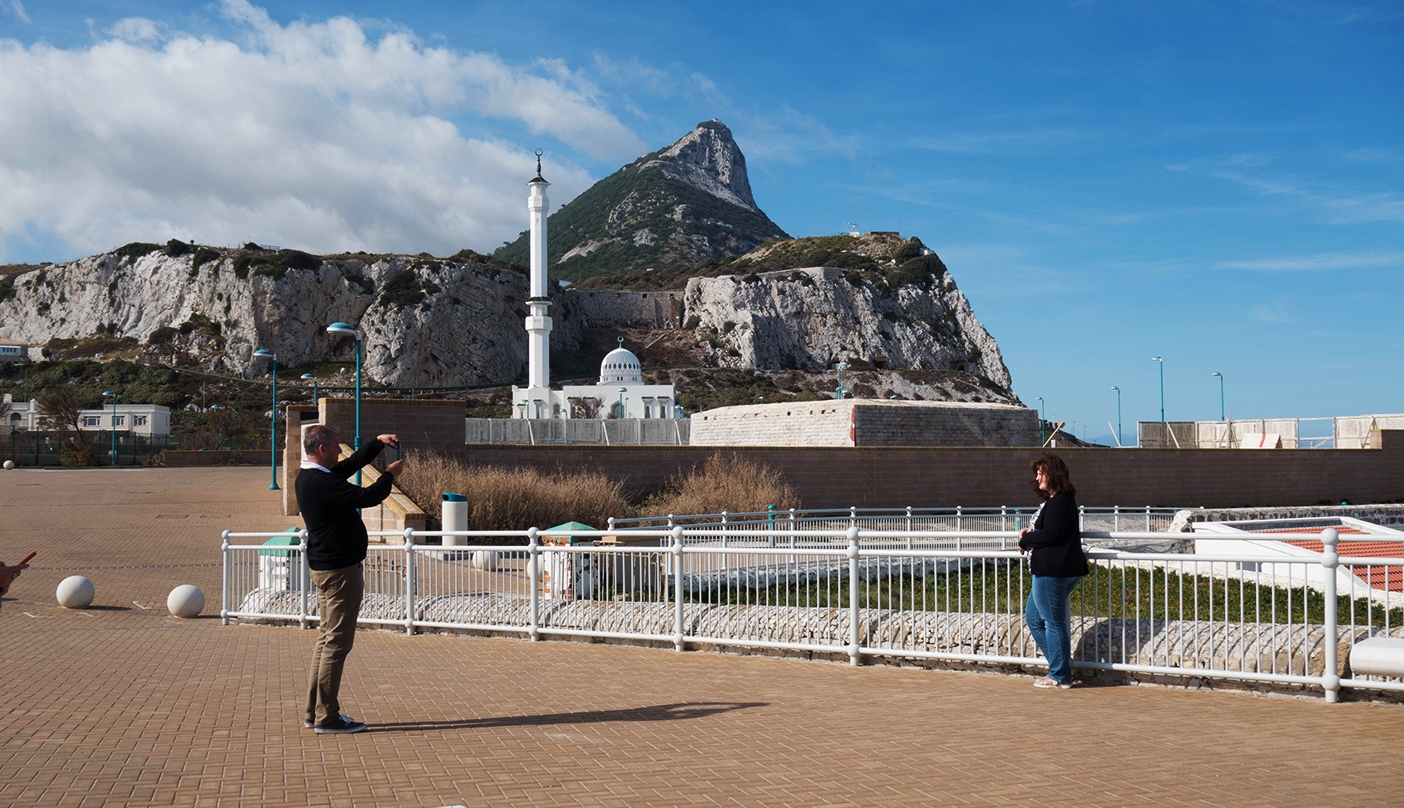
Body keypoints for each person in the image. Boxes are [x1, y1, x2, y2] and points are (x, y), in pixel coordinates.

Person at [296, 425, 404, 734]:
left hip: (327, 568)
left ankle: (314, 711)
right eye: (336, 446)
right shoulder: (320, 483)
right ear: (322, 450)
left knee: (326, 641)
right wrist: (390, 475)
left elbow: (347, 466)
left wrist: (377, 443)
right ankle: (326, 717)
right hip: (340, 572)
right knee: (337, 644)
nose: (340, 452)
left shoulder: (310, 477)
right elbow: (369, 496)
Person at [1017, 453, 1088, 690]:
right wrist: (1031, 537)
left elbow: (1052, 534)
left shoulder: (1060, 502)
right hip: (1050, 570)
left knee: (1053, 622)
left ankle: (1059, 675)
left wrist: (1027, 538)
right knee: (1034, 619)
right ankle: (1061, 668)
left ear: (1053, 474)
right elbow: (1050, 532)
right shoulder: (1058, 501)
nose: (1037, 479)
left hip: (1052, 572)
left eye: (1040, 473)